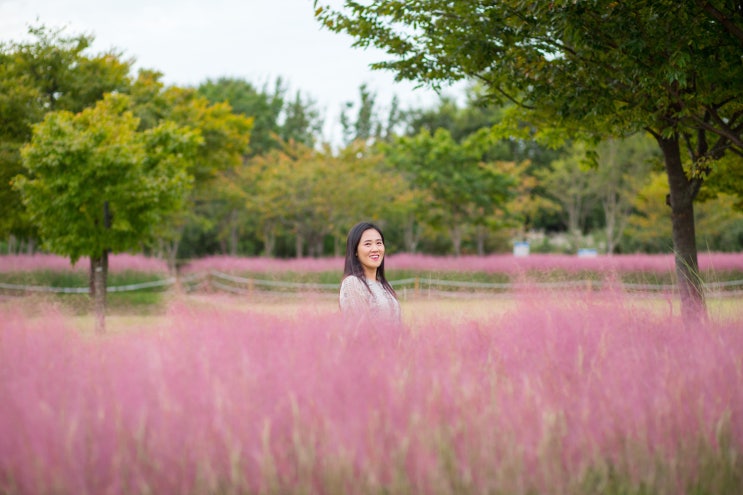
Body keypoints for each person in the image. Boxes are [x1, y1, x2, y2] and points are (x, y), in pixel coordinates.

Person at [339, 221, 401, 327]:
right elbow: (360, 329)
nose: (375, 249)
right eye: (368, 244)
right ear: (355, 251)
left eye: (379, 243)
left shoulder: (386, 286)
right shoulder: (353, 283)